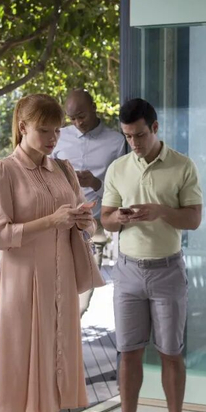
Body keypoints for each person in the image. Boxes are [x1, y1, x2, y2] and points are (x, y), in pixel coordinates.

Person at [0, 94, 93, 412]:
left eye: (57, 130)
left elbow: (84, 225)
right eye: (44, 130)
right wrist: (51, 221)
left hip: (59, 286)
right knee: (16, 380)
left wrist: (83, 221)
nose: (52, 138)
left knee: (52, 378)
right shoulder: (3, 171)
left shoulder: (64, 169)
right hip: (20, 288)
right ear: (23, 126)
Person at [96, 98, 202, 412]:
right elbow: (106, 219)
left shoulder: (183, 166)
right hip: (127, 270)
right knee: (128, 351)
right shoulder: (118, 168)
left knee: (171, 352)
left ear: (155, 128)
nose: (134, 143)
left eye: (139, 135)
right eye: (128, 136)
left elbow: (194, 219)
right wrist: (119, 218)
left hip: (167, 270)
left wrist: (160, 211)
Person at [52, 89, 125, 316]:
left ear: (94, 107)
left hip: (93, 225)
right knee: (55, 294)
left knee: (81, 301)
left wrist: (95, 183)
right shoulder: (58, 137)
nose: (78, 123)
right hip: (58, 222)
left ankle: (71, 334)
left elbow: (122, 188)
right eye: (72, 118)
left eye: (81, 116)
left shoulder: (116, 141)